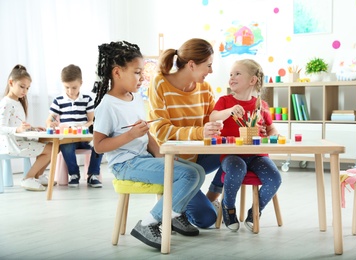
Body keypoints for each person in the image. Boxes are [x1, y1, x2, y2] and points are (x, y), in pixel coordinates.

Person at [92, 41, 206, 250]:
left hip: (143, 160)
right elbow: (98, 146)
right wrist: (130, 135)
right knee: (189, 175)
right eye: (137, 72)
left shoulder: (135, 99)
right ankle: (148, 223)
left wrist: (161, 155)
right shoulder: (107, 105)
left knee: (197, 170)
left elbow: (146, 136)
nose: (142, 77)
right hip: (125, 165)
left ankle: (173, 214)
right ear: (117, 72)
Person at [147, 38, 224, 228]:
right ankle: (177, 192)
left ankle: (210, 196)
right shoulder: (160, 84)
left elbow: (209, 122)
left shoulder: (205, 89)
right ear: (191, 65)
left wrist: (218, 126)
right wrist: (200, 132)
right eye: (208, 65)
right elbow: (162, 131)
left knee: (233, 154)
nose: (211, 71)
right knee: (206, 219)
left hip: (198, 158)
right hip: (173, 163)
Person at [209, 59, 282, 231]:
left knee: (275, 178)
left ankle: (255, 211)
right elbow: (213, 117)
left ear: (252, 80)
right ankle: (228, 207)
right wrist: (230, 111)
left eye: (237, 74)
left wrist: (275, 136)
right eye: (231, 74)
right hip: (232, 156)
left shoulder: (261, 105)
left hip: (258, 155)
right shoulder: (225, 101)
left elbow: (271, 128)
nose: (232, 77)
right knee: (237, 167)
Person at [46, 64, 103, 188]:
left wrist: (83, 127)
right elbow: (49, 120)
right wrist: (52, 123)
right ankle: (74, 174)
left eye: (74, 87)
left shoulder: (87, 99)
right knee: (66, 146)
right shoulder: (58, 100)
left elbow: (91, 120)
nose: (70, 91)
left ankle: (93, 174)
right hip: (68, 137)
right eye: (67, 87)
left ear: (81, 83)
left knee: (99, 144)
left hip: (83, 136)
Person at [0, 65, 53, 191]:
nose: (25, 91)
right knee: (51, 149)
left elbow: (18, 124)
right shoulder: (6, 103)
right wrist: (17, 130)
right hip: (12, 144)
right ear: (11, 83)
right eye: (22, 86)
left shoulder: (17, 102)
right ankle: (27, 178)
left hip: (19, 141)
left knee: (54, 146)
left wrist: (32, 128)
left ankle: (38, 176)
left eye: (28, 88)